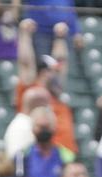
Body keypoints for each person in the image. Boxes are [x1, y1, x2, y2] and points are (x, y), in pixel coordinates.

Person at [15, 19, 77, 154]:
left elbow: (61, 61)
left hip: (64, 152)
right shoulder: (30, 89)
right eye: (52, 70)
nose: (57, 72)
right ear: (44, 72)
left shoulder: (55, 93)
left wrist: (60, 38)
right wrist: (24, 34)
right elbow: (25, 63)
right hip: (41, 153)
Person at [3, 85, 51, 158]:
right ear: (38, 104)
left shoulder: (29, 122)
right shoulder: (20, 126)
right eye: (45, 105)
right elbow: (17, 158)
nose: (47, 109)